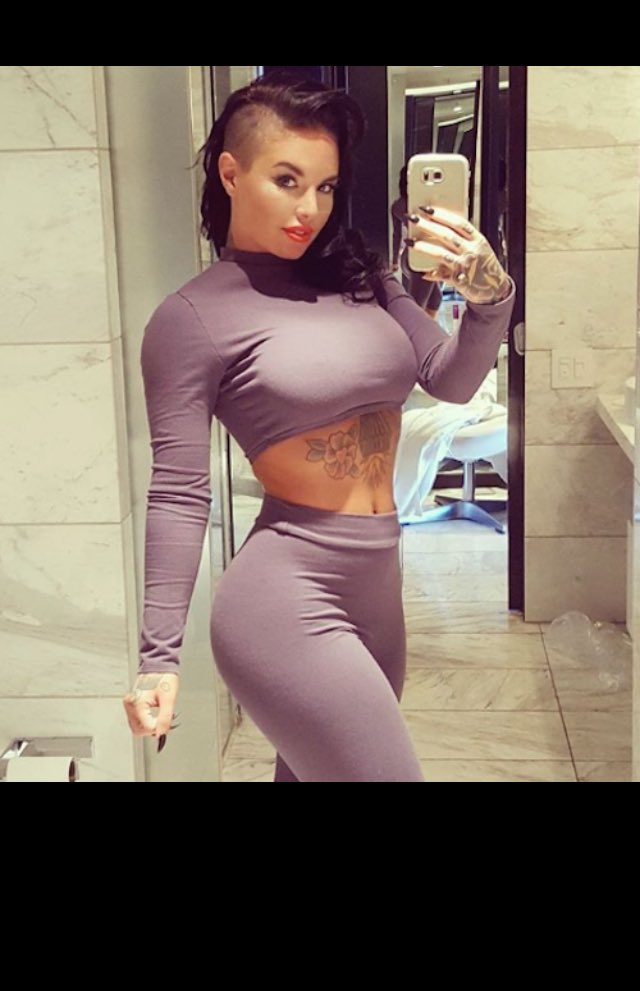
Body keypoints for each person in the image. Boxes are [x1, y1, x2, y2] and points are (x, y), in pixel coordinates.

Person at [123, 71, 516, 783]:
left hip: (378, 586)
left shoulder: (364, 279)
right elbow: (179, 492)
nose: (310, 208)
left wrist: (491, 298)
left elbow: (449, 378)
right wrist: (158, 657)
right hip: (284, 600)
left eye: (326, 187)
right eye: (287, 180)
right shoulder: (190, 319)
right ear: (231, 173)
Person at [391, 164, 442, 320]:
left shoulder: (398, 205)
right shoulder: (429, 204)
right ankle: (414, 333)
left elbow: (397, 235)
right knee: (417, 307)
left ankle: (428, 331)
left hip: (410, 255)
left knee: (434, 299)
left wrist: (394, 261)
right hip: (422, 255)